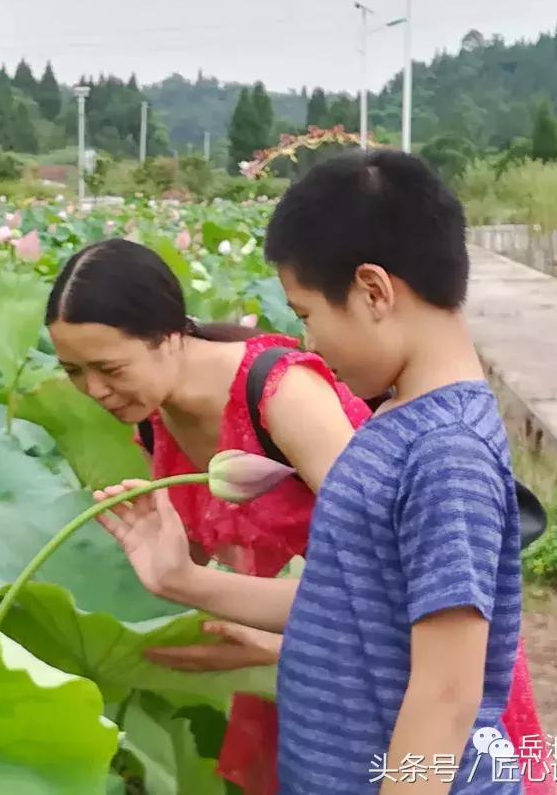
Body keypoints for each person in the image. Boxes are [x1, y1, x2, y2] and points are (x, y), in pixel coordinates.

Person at [90, 151, 555, 794]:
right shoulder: (395, 425)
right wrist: (181, 579)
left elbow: (447, 695)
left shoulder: (447, 454)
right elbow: (347, 604)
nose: (307, 344)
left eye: (306, 315)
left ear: (373, 290)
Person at [45, 237, 372, 794]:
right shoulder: (154, 416)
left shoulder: (282, 395)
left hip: (387, 664)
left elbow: (387, 585)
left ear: (170, 336)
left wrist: (275, 643)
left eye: (108, 367)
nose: (93, 390)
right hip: (289, 656)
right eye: (73, 371)